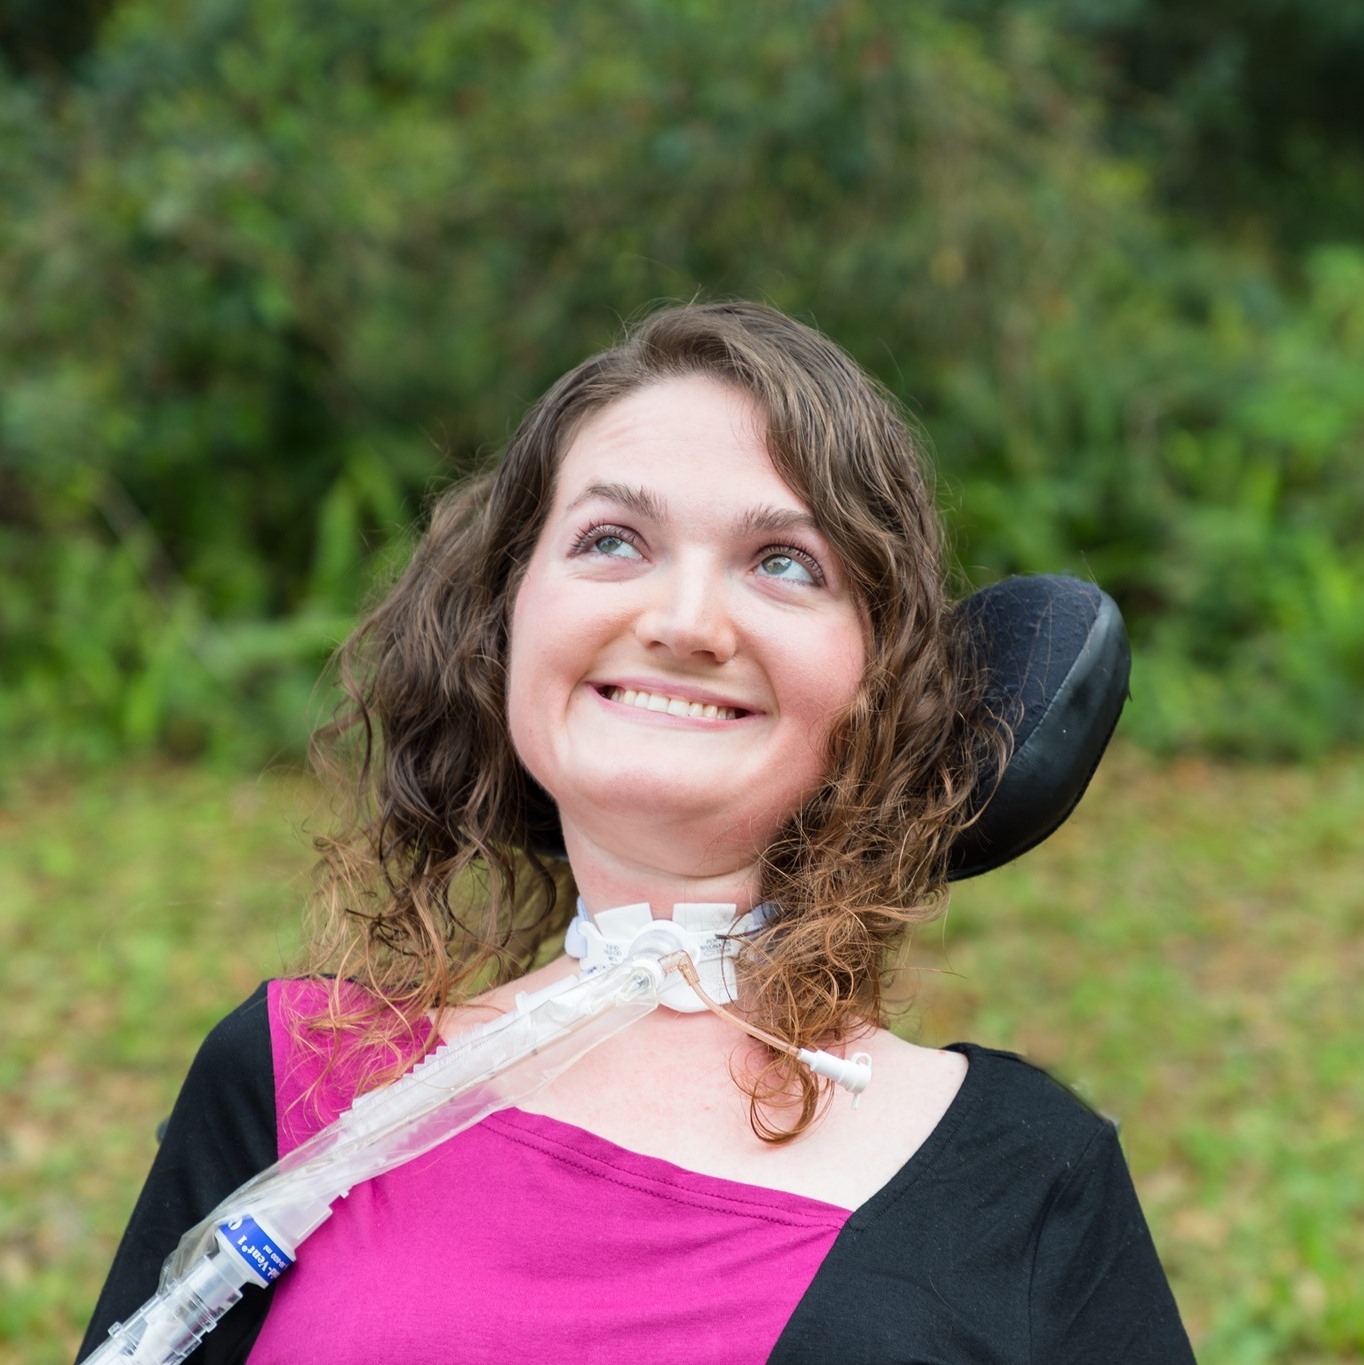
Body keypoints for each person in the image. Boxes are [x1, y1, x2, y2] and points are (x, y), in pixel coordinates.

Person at [80, 302, 1194, 1363]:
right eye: (613, 540)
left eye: (782, 563)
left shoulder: (1023, 1173)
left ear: (884, 685)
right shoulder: (300, 1078)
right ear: (502, 623)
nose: (680, 622)